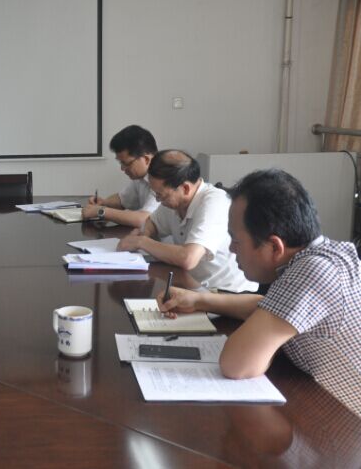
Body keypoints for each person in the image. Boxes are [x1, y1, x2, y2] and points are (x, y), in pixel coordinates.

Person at [157, 169, 361, 416]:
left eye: (236, 240)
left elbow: (236, 364)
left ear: (274, 246)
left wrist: (264, 340)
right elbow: (269, 306)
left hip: (346, 424)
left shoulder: (313, 271)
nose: (232, 250)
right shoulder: (326, 254)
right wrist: (199, 300)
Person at [118, 149, 256, 292]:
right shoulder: (174, 200)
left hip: (227, 293)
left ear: (185, 188)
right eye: (156, 194)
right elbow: (152, 223)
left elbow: (188, 258)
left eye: (161, 195)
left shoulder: (214, 202)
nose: (158, 200)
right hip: (194, 287)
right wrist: (143, 233)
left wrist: (142, 242)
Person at [82, 125, 160, 227]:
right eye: (121, 163)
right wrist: (104, 202)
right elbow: (122, 200)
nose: (122, 169)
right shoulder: (140, 177)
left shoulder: (162, 178)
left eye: (126, 163)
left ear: (146, 159)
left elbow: (144, 220)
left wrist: (101, 211)